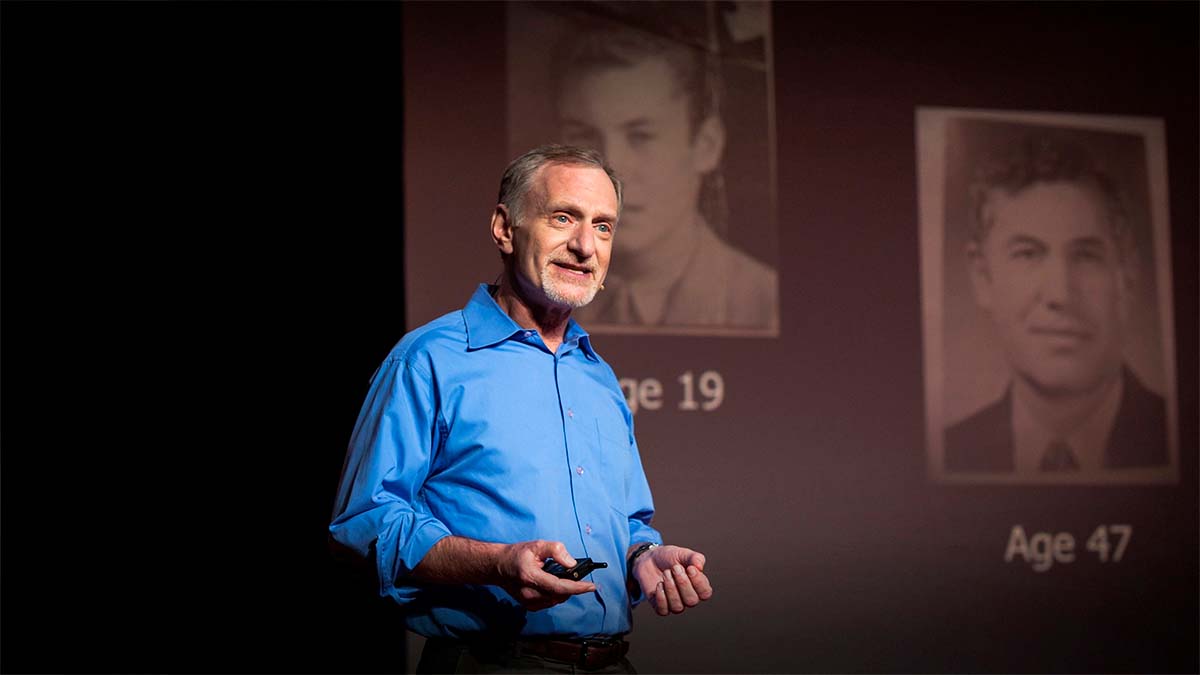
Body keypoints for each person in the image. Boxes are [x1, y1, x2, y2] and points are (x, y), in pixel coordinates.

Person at [329, 145, 713, 673]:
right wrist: (496, 564)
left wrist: (642, 557)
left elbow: (626, 521)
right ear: (505, 229)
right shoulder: (429, 360)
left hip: (612, 662)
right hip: (493, 662)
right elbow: (365, 524)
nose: (585, 246)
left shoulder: (596, 375)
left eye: (603, 227)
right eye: (563, 218)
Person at [944, 134, 1168, 474]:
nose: (1060, 295)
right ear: (982, 277)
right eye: (1028, 254)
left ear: (1128, 274)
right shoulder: (951, 454)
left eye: (1086, 256)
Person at [553, 24, 778, 331]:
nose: (612, 172)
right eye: (585, 138)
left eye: (641, 137)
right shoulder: (531, 306)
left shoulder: (763, 304)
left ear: (706, 145)